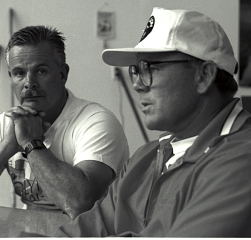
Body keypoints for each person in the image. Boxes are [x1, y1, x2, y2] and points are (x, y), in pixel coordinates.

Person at [23, 7, 251, 237]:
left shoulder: (240, 159)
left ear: (204, 75)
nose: (138, 84)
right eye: (135, 70)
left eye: (149, 68)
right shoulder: (147, 157)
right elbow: (84, 231)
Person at [0, 25, 129, 219]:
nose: (29, 82)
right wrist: (8, 146)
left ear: (63, 74)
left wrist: (30, 143)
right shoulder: (8, 123)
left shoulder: (96, 122)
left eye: (41, 71)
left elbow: (79, 205)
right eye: (19, 73)